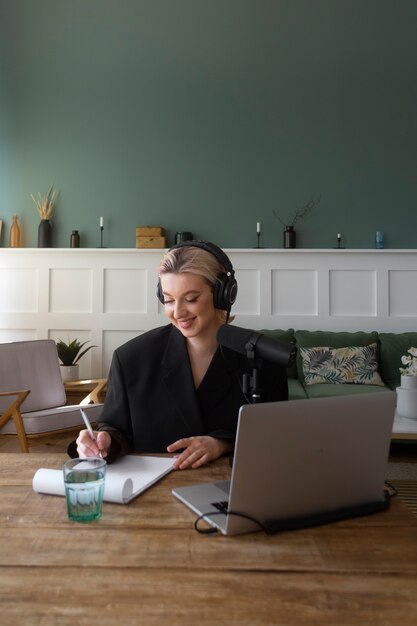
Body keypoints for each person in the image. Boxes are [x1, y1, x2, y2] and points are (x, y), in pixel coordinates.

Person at [72, 240, 288, 469]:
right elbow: (116, 431)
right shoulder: (130, 359)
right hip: (152, 497)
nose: (178, 312)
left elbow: (277, 438)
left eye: (191, 299)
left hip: (235, 491)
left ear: (222, 294)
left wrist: (224, 443)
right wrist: (102, 443)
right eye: (168, 300)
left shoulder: (261, 358)